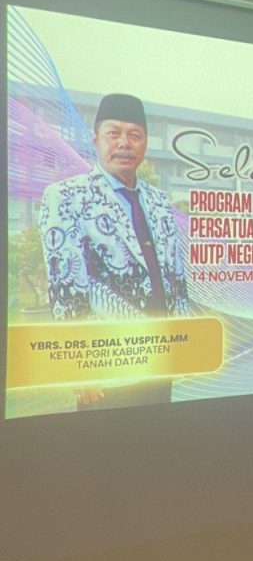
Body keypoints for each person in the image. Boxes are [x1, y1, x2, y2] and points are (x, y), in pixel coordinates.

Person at [38, 93, 189, 408]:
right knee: (106, 440)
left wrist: (183, 347)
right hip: (107, 368)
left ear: (145, 143)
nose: (124, 143)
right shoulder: (66, 196)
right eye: (114, 133)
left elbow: (175, 280)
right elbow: (65, 287)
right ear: (95, 140)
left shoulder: (159, 201)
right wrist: (79, 367)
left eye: (135, 135)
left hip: (161, 359)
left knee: (159, 436)